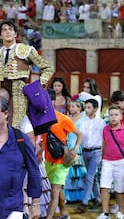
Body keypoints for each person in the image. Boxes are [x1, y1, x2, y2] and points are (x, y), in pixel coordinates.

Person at [0, 20, 54, 129]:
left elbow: (48, 67)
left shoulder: (26, 50)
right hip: (2, 91)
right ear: (0, 35)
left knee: (17, 126)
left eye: (10, 29)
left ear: (15, 34)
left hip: (20, 92)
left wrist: (40, 84)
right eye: (4, 30)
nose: (7, 32)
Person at [44, 89, 83, 219]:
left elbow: (79, 135)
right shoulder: (40, 118)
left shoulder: (63, 119)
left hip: (61, 161)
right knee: (57, 189)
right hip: (48, 160)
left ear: (54, 101)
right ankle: (64, 213)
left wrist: (76, 148)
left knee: (54, 192)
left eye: (48, 100)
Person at [97, 105, 124, 219]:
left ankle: (120, 211)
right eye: (111, 115)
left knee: (120, 188)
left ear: (121, 117)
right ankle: (105, 213)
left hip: (121, 162)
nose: (113, 117)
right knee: (104, 186)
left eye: (116, 115)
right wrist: (103, 159)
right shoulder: (105, 129)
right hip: (107, 162)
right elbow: (104, 144)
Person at [77, 99, 106, 212]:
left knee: (89, 177)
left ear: (95, 109)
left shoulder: (101, 122)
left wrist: (102, 154)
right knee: (92, 178)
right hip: (85, 151)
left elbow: (104, 139)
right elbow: (81, 136)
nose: (86, 109)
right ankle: (98, 199)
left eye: (89, 107)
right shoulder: (83, 122)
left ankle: (85, 202)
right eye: (86, 107)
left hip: (96, 151)